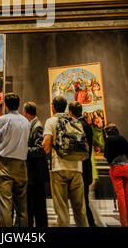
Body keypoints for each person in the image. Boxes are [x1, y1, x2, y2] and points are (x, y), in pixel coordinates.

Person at [42, 95, 88, 227]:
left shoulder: (51, 121)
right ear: (66, 107)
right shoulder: (75, 121)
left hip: (58, 168)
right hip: (77, 167)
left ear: (53, 107)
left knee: (62, 209)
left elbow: (46, 146)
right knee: (80, 208)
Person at [0, 92, 30, 227]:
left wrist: (4, 143)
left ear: (5, 105)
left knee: (5, 205)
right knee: (22, 206)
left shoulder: (4, 119)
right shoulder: (26, 121)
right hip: (22, 164)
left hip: (5, 164)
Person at [68, 100, 96, 227]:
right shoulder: (87, 124)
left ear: (70, 112)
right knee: (83, 201)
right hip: (87, 167)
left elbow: (77, 148)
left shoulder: (78, 125)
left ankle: (90, 224)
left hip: (81, 169)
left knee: (82, 202)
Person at [103, 122, 128, 227]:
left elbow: (106, 155)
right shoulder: (122, 138)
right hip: (127, 168)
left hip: (116, 168)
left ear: (107, 131)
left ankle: (124, 223)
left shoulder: (108, 140)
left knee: (120, 197)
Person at [23, 101, 48, 228]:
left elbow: (40, 150)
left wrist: (23, 150)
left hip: (36, 173)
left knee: (38, 207)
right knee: (32, 205)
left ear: (26, 113)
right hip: (33, 173)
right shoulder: (32, 125)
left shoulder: (37, 126)